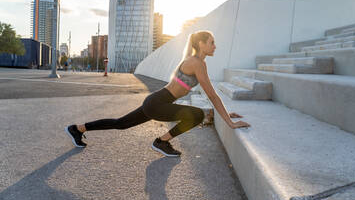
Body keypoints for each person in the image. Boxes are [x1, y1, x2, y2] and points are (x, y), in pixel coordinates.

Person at [65, 30, 251, 157]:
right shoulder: (196, 63)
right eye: (212, 43)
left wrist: (226, 113)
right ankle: (161, 142)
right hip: (158, 103)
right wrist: (230, 122)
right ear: (201, 44)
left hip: (156, 101)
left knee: (121, 124)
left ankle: (78, 128)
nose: (215, 46)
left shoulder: (198, 62)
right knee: (197, 115)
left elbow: (211, 93)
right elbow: (211, 95)